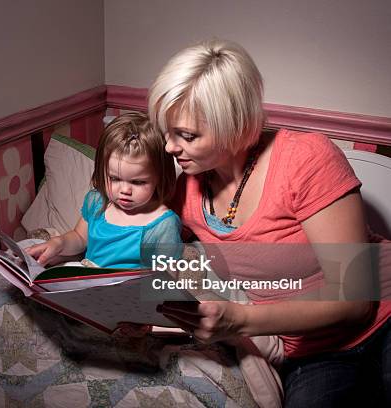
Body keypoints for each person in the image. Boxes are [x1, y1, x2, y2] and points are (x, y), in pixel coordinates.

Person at [148, 39, 390, 406]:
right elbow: (133, 231)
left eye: (187, 135)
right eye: (167, 132)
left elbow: (355, 300)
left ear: (235, 124)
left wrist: (240, 320)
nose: (169, 148)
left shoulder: (305, 159)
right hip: (313, 353)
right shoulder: (185, 191)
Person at [26, 112, 182, 269]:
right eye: (114, 178)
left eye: (138, 182)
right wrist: (59, 242)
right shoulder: (97, 201)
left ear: (160, 178)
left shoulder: (162, 224)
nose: (125, 190)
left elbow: (164, 275)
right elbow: (80, 238)